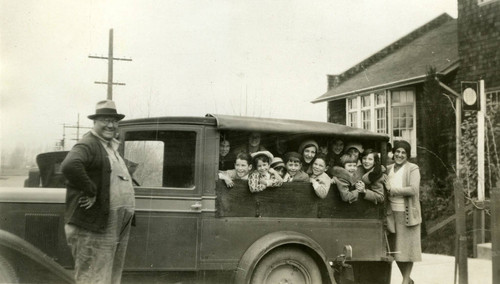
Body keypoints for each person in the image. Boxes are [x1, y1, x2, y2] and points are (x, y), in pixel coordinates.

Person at [61, 100, 135, 284]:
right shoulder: (89, 144)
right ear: (95, 122)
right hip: (94, 228)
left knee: (109, 277)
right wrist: (91, 190)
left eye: (114, 121)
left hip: (113, 226)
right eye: (105, 120)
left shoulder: (110, 147)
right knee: (92, 278)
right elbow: (70, 165)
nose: (110, 125)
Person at [384, 140, 421, 284]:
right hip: (391, 214)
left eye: (403, 152)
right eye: (397, 152)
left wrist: (391, 190)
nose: (400, 155)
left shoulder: (413, 168)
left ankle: (405, 281)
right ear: (393, 153)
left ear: (407, 155)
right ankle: (408, 279)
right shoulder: (388, 169)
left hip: (407, 215)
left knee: (408, 250)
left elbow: (413, 189)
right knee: (396, 250)